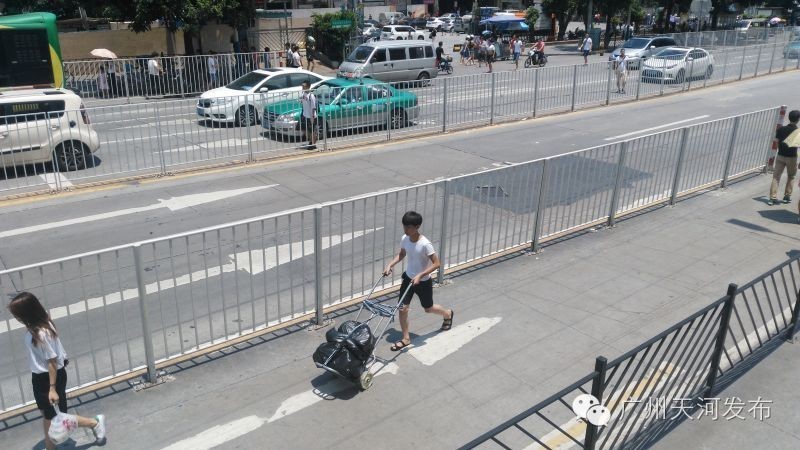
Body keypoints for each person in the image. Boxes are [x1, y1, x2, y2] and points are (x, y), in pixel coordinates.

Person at [8, 292, 107, 449]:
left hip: (50, 378)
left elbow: (52, 361)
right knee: (49, 415)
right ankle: (90, 425)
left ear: (27, 312)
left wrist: (52, 388)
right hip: (39, 377)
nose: (16, 318)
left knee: (55, 417)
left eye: (17, 314)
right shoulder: (36, 327)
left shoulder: (42, 332)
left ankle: (93, 423)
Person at [383, 211, 454, 351]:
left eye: (409, 227)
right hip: (408, 279)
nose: (406, 230)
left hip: (423, 282)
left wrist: (420, 275)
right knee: (402, 309)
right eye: (404, 226)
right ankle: (406, 338)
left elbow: (437, 263)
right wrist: (390, 265)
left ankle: (447, 314)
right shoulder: (405, 238)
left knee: (428, 308)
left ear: (417, 226)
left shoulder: (425, 244)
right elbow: (402, 254)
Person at [769, 109, 800, 206]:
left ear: (788, 118)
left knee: (776, 177)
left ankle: (772, 198)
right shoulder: (798, 132)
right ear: (798, 120)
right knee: (791, 176)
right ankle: (787, 196)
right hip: (792, 157)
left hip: (780, 156)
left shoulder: (781, 129)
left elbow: (776, 141)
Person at [299, 80, 318, 150]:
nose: (302, 87)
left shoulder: (311, 96)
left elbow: (313, 107)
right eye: (302, 86)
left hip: (310, 116)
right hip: (304, 115)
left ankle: (313, 144)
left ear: (308, 86)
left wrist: (312, 117)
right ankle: (311, 141)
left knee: (312, 131)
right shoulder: (303, 94)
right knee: (305, 130)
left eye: (304, 86)